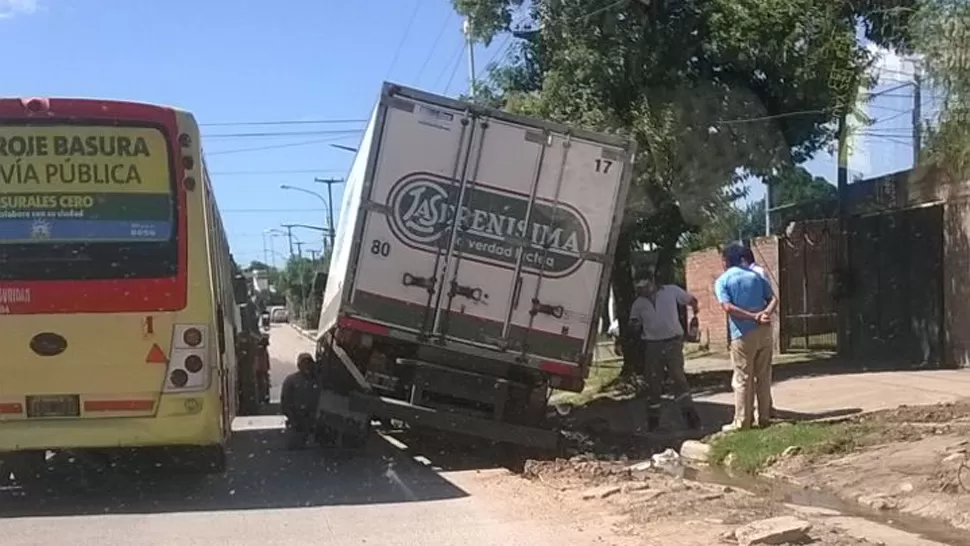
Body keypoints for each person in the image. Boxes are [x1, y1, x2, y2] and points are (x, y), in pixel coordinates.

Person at [628, 268, 702, 432]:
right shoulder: (639, 303)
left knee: (678, 377)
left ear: (652, 282)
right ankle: (653, 421)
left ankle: (690, 416)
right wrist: (633, 328)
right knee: (653, 382)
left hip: (673, 342)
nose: (643, 291)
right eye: (639, 289)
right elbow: (633, 323)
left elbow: (691, 300)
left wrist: (694, 313)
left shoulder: (671, 291)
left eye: (645, 287)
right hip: (652, 345)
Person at [715, 244, 778, 431]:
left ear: (725, 261)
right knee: (764, 375)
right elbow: (773, 298)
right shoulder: (756, 276)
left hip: (742, 334)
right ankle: (764, 416)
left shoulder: (723, 280)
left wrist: (751, 316)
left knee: (743, 377)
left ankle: (742, 420)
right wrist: (764, 314)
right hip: (764, 330)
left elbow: (727, 307)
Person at [280, 352, 321, 449]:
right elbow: (285, 401)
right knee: (295, 446)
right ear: (299, 365)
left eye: (309, 363)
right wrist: (293, 418)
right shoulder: (291, 380)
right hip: (297, 419)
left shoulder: (318, 380)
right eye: (304, 363)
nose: (307, 366)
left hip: (314, 419)